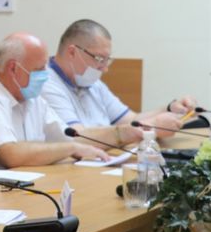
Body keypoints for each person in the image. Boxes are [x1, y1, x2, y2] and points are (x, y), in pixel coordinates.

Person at [0, 32, 109, 169]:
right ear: (13, 68)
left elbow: (70, 138)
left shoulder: (32, 99)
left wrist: (118, 134)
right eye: (40, 69)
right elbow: (11, 155)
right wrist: (71, 148)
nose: (46, 74)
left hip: (9, 189)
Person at [41, 19, 193, 144]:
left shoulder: (91, 82)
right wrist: (151, 126)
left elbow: (130, 120)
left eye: (107, 60)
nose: (104, 68)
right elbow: (77, 138)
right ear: (72, 52)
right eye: (99, 58)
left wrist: (170, 109)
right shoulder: (46, 83)